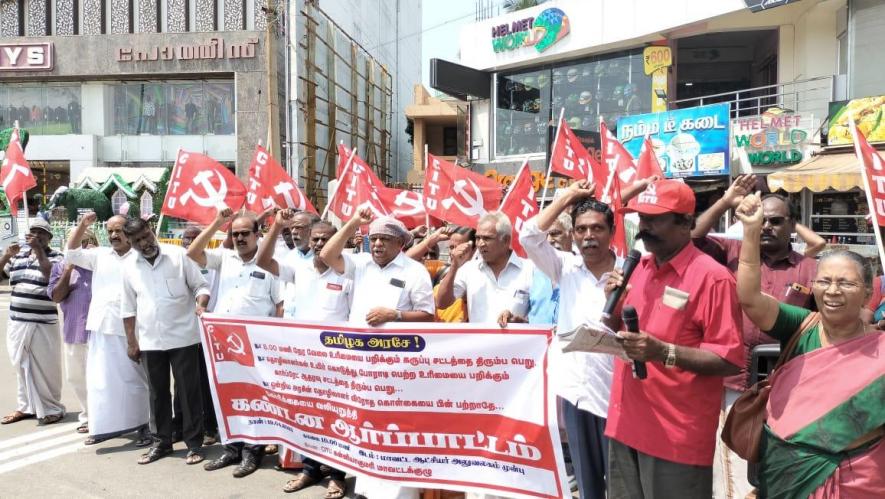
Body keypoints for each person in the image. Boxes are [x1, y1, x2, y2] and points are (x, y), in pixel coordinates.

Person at [734, 192, 884, 498]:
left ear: (868, 291)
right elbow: (750, 298)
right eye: (824, 281)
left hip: (860, 482)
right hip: (785, 474)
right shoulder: (800, 325)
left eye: (846, 283)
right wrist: (750, 233)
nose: (832, 291)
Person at [604, 179, 744, 499]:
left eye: (655, 219)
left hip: (674, 436)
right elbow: (625, 333)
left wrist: (663, 352)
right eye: (641, 218)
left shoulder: (713, 278)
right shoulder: (636, 268)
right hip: (625, 423)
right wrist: (612, 307)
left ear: (686, 223)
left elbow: (728, 358)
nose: (644, 227)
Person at [691, 177, 821, 498]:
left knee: (777, 465)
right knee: (731, 465)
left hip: (788, 386)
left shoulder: (812, 269)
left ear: (792, 224)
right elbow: (691, 237)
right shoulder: (733, 251)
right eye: (762, 221)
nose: (766, 228)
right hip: (734, 381)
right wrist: (725, 201)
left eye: (775, 222)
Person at [320, 208, 435, 499]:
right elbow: (327, 256)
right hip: (360, 363)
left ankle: (400, 491)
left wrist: (394, 315)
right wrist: (353, 224)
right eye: (374, 238)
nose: (379, 244)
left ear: (401, 243)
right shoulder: (360, 264)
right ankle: (366, 486)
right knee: (364, 425)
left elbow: (427, 315)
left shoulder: (415, 271)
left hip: (397, 367)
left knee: (394, 428)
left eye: (385, 238)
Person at [520, 180, 620, 499]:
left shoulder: (631, 271)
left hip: (618, 396)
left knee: (622, 486)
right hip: (577, 395)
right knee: (588, 487)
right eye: (581, 230)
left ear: (612, 231)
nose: (589, 236)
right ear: (574, 234)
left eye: (597, 228)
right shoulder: (565, 267)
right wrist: (566, 198)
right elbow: (529, 235)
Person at [256, 210, 352, 498]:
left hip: (338, 359)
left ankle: (336, 474)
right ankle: (310, 469)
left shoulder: (349, 272)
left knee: (336, 418)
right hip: (305, 360)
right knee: (309, 415)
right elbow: (261, 260)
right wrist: (277, 226)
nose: (321, 244)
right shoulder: (298, 268)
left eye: (327, 239)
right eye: (317, 239)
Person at [186, 208, 283, 478]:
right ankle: (231, 449)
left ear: (257, 234)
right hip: (223, 341)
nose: (239, 238)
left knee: (253, 399)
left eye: (244, 233)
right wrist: (217, 221)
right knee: (226, 396)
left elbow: (280, 305)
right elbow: (193, 253)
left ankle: (253, 452)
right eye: (235, 233)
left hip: (256, 343)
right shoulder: (225, 259)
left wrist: (274, 342)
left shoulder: (269, 263)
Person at [120, 217, 209, 465]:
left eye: (146, 236)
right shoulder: (129, 267)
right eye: (137, 241)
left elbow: (201, 286)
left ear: (151, 230)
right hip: (150, 341)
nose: (144, 243)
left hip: (184, 337)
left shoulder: (178, 255)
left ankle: (194, 444)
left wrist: (201, 305)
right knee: (157, 394)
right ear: (130, 242)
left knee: (189, 393)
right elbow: (127, 308)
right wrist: (131, 342)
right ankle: (162, 443)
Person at [65, 215, 152, 446]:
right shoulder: (100, 255)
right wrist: (82, 225)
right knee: (100, 381)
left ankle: (145, 425)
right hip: (101, 325)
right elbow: (71, 254)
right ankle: (105, 427)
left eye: (119, 230)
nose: (114, 235)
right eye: (110, 231)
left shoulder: (141, 257)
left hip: (133, 329)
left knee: (135, 381)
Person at [0, 219, 65, 426]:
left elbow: (50, 277)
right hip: (17, 321)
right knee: (20, 366)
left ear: (49, 238)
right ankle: (25, 407)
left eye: (42, 233)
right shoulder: (18, 256)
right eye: (33, 232)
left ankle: (52, 408)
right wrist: (6, 256)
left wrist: (39, 251)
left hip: (43, 323)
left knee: (46, 369)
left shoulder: (57, 257)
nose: (37, 235)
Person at [437, 212, 534, 327]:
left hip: (520, 344)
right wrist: (454, 265)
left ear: (506, 240)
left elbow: (544, 317)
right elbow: (442, 303)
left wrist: (521, 322)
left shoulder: (530, 269)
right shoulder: (469, 269)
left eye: (487, 238)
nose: (481, 244)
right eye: (478, 238)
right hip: (479, 344)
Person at [47, 229, 98, 434]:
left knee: (102, 378)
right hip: (74, 330)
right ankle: (88, 415)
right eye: (77, 243)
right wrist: (68, 269)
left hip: (100, 333)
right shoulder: (60, 266)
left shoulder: (100, 264)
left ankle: (106, 417)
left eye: (86, 242)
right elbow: (57, 296)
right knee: (76, 377)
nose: (82, 247)